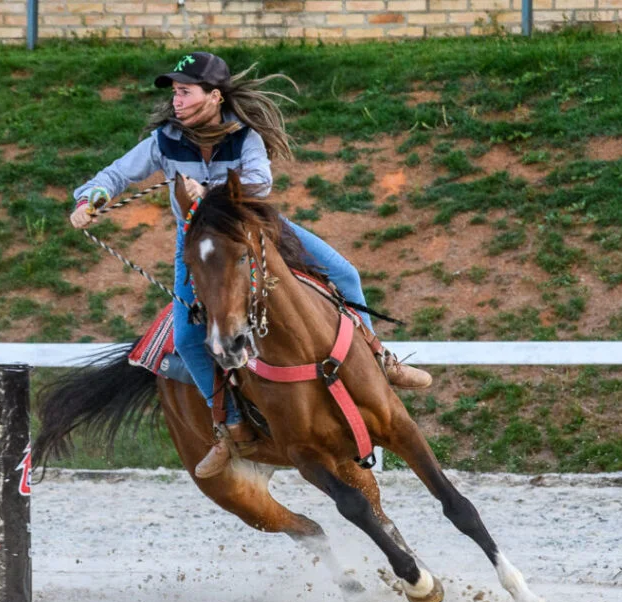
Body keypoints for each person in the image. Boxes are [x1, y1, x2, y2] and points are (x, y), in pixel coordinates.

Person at [70, 52, 431, 479]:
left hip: (259, 227)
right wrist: (91, 200)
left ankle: (378, 358)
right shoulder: (163, 141)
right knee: (187, 337)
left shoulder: (246, 138)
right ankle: (229, 426)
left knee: (345, 273)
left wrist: (208, 189)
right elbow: (115, 175)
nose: (176, 100)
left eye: (185, 91)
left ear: (214, 96)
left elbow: (260, 182)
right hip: (200, 240)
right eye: (175, 92)